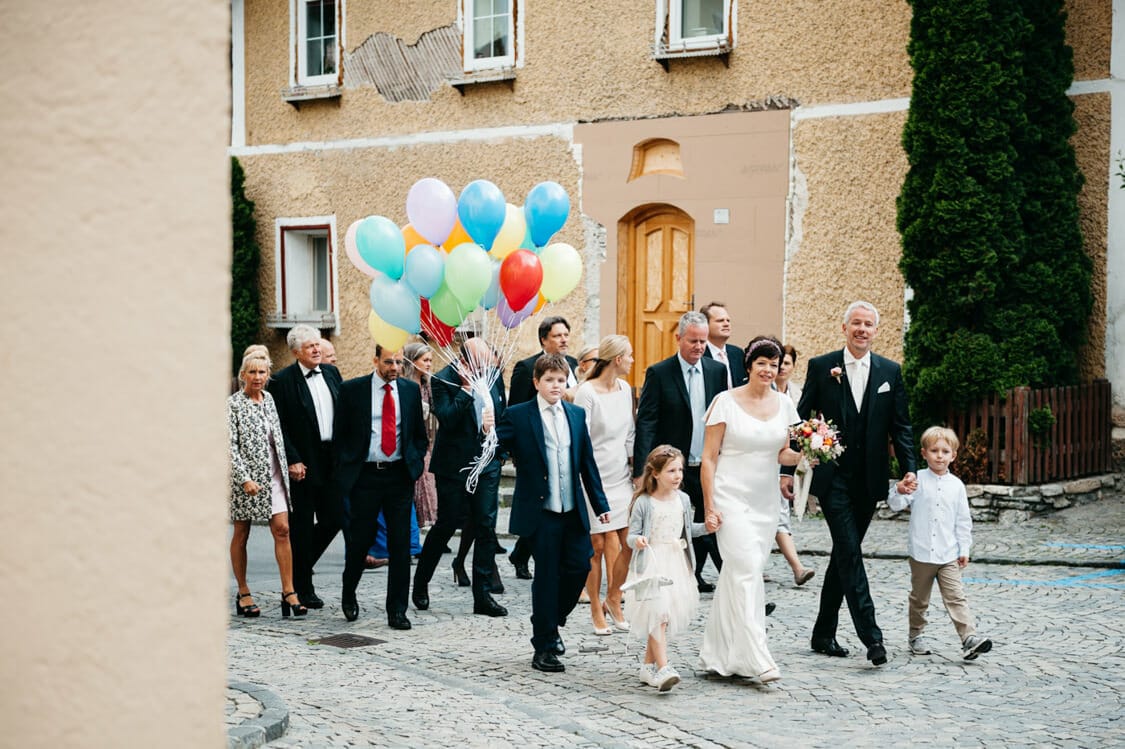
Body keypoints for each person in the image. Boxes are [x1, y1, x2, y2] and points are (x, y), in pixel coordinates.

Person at [783, 300, 916, 666]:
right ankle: (873, 639)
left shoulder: (890, 371)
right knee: (851, 553)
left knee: (845, 553)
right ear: (845, 329)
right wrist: (787, 470)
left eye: (868, 324)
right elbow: (800, 420)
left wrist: (909, 469)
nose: (862, 329)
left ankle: (823, 633)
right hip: (833, 479)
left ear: (876, 330)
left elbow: (900, 427)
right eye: (855, 323)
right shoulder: (823, 367)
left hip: (869, 481)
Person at [497, 354, 612, 673]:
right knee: (546, 578)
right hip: (540, 512)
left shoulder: (575, 415)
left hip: (572, 509)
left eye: (561, 380)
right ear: (536, 383)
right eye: (549, 380)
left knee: (579, 566)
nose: (556, 386)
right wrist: (487, 432)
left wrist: (600, 504)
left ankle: (552, 619)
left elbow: (586, 461)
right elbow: (497, 449)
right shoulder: (518, 415)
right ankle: (544, 645)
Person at [698, 337, 803, 682]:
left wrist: (809, 451)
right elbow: (709, 458)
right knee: (744, 568)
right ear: (749, 366)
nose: (768, 370)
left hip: (764, 501)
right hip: (730, 495)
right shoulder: (725, 402)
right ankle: (759, 657)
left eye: (774, 364)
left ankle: (720, 653)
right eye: (762, 363)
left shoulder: (785, 404)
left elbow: (785, 453)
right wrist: (710, 505)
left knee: (744, 573)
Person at [413, 338, 509, 618]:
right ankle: (420, 583)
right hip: (454, 464)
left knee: (486, 524)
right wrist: (466, 390)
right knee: (447, 524)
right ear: (464, 361)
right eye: (479, 363)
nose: (485, 368)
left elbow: (501, 411)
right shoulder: (443, 380)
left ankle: (483, 596)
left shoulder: (493, 375)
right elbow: (447, 417)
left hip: (487, 462)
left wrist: (499, 450)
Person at [334, 345, 429, 629]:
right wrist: (345, 470)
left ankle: (397, 610)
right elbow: (341, 436)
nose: (395, 368)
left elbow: (418, 436)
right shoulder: (353, 390)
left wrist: (414, 463)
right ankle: (349, 591)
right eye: (389, 362)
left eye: (399, 362)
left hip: (399, 475)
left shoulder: (409, 392)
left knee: (400, 546)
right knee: (360, 540)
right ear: (375, 360)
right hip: (365, 476)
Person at [633, 311, 727, 592]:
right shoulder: (660, 373)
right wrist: (642, 470)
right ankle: (693, 576)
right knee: (682, 523)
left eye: (703, 342)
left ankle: (710, 577)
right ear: (679, 339)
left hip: (708, 464)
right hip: (675, 468)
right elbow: (647, 423)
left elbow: (722, 417)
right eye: (693, 341)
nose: (699, 347)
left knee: (710, 522)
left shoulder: (716, 371)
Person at [887, 426, 992, 661]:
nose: (940, 456)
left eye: (945, 451)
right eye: (934, 450)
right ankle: (916, 635)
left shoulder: (957, 486)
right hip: (921, 553)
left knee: (956, 597)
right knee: (919, 599)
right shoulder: (917, 479)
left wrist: (964, 548)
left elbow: (963, 521)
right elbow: (895, 504)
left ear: (953, 455)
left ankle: (969, 639)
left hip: (948, 555)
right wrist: (898, 488)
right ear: (924, 453)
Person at [268, 325, 343, 609]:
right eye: (309, 346)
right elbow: (279, 426)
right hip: (303, 462)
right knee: (300, 525)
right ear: (296, 351)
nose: (316, 349)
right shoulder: (282, 381)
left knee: (334, 517)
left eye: (317, 345)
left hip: (332, 458)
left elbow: (342, 411)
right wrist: (291, 459)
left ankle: (299, 566)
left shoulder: (333, 373)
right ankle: (303, 588)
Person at [228, 351, 307, 618]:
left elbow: (278, 439)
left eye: (262, 372)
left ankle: (289, 591)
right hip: (246, 478)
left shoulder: (270, 400)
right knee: (242, 533)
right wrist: (244, 478)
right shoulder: (233, 405)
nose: (258, 377)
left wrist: (291, 465)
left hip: (274, 474)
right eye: (252, 372)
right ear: (243, 375)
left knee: (283, 529)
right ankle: (243, 591)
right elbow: (229, 447)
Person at [624, 446, 709, 691]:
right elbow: (632, 535)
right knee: (658, 614)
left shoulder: (683, 499)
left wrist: (707, 528)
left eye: (680, 470)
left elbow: (687, 530)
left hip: (676, 563)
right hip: (651, 562)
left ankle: (648, 667)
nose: (678, 475)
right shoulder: (644, 502)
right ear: (656, 473)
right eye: (671, 470)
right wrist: (637, 541)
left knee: (663, 617)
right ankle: (664, 667)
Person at [507, 317, 581, 580]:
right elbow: (514, 409)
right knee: (539, 506)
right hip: (536, 451)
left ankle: (520, 553)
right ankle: (527, 557)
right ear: (543, 340)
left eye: (566, 335)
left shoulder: (572, 365)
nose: (564, 340)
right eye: (557, 336)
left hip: (565, 448)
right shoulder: (526, 368)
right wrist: (517, 452)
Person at [572, 335, 635, 634]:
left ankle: (615, 597)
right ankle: (596, 607)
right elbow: (580, 438)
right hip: (593, 476)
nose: (633, 362)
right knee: (596, 545)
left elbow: (630, 432)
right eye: (630, 356)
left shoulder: (625, 389)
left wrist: (637, 469)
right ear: (618, 359)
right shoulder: (587, 392)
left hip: (621, 474)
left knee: (626, 543)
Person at [768, 340, 816, 586]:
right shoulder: (763, 391)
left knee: (780, 513)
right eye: (779, 363)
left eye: (787, 363)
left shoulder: (797, 394)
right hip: (767, 458)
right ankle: (796, 567)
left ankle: (796, 567)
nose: (782, 368)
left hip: (789, 461)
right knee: (773, 515)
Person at [700, 301, 748, 388]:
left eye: (728, 320)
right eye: (720, 321)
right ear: (705, 325)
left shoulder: (738, 353)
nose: (726, 324)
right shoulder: (699, 354)